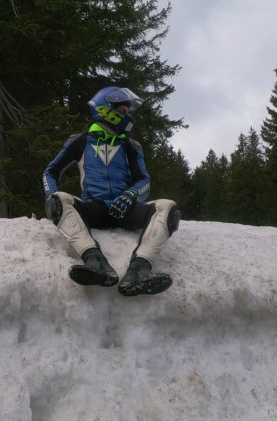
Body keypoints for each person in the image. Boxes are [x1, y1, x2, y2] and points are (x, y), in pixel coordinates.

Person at [43, 86, 180, 296]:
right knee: (58, 199)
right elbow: (50, 172)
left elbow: (144, 180)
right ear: (106, 109)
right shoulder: (80, 141)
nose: (127, 115)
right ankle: (95, 263)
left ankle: (139, 270)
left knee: (168, 207)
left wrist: (130, 195)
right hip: (94, 208)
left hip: (126, 208)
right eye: (123, 110)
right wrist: (50, 195)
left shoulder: (131, 146)